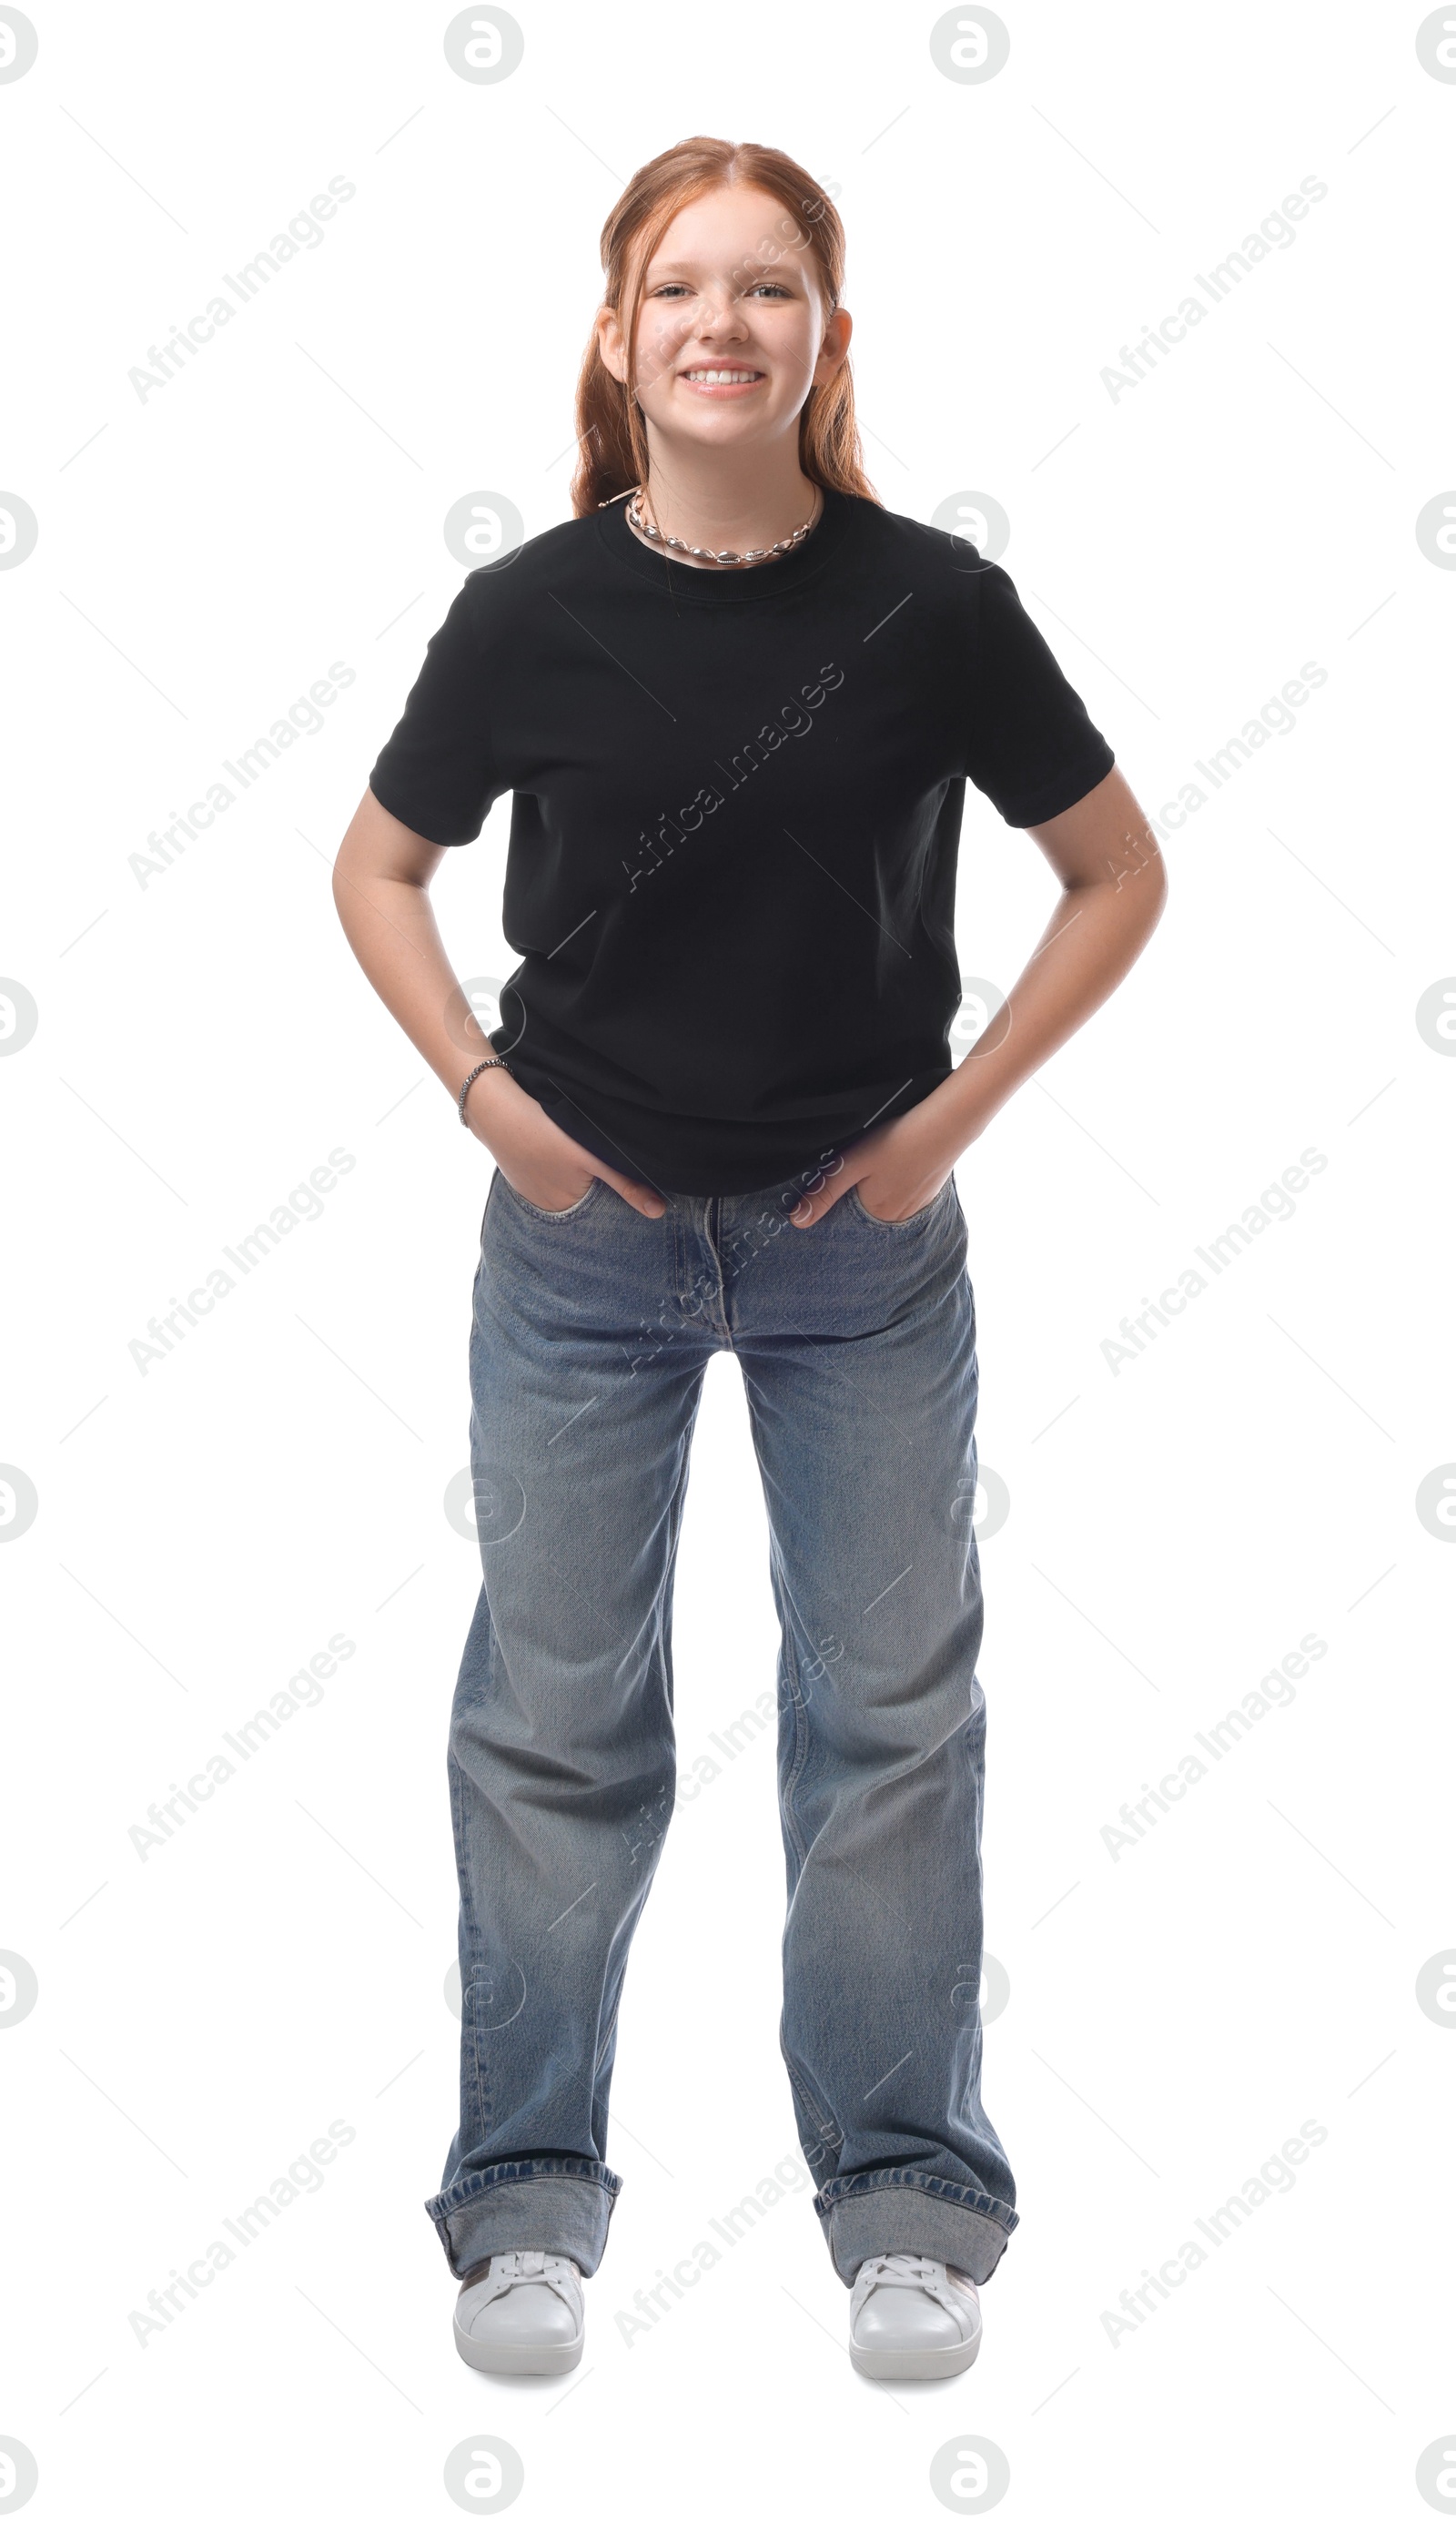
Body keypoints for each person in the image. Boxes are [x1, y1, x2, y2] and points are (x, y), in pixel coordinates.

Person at [333, 134, 1166, 2386]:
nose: (724, 320)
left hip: (852, 1257)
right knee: (555, 1723)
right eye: (680, 286)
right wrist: (484, 1099)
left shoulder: (927, 606)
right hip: (578, 1249)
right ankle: (521, 2210)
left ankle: (907, 2200)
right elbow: (376, 867)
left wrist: (940, 1128)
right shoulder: (526, 611)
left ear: (826, 337)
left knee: (886, 1715)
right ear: (620, 336)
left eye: (769, 287)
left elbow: (1113, 873)